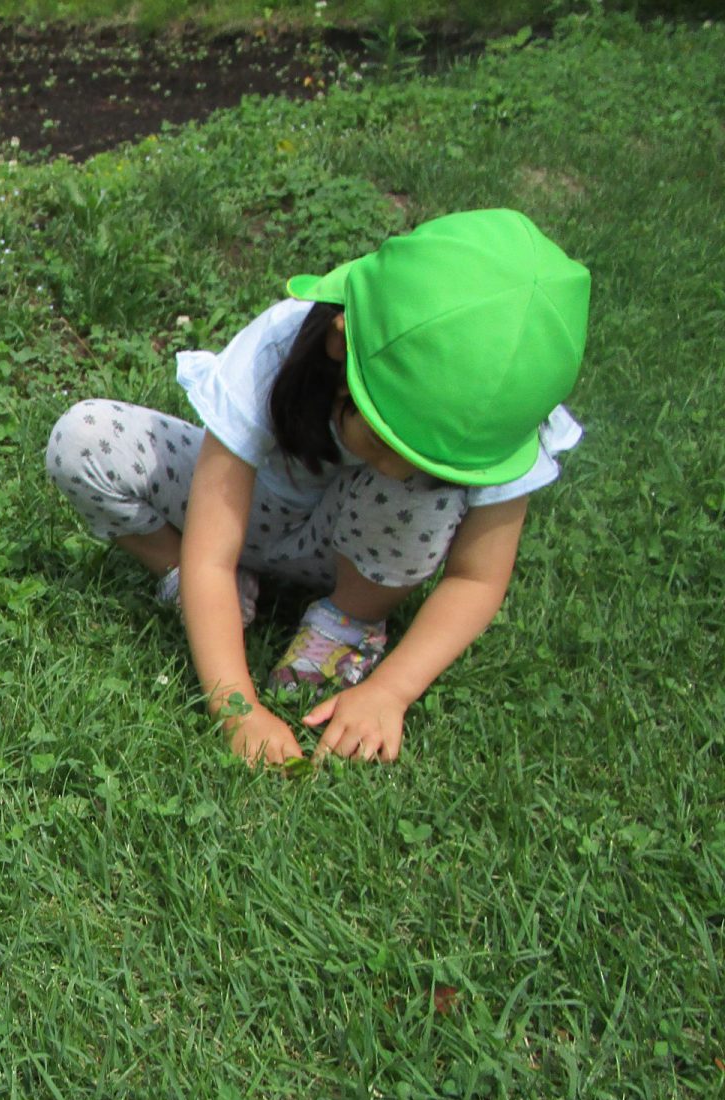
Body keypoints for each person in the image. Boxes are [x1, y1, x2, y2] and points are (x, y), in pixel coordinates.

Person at [45, 209, 589, 765]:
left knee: (414, 495)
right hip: (245, 515)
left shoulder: (500, 417)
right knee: (84, 438)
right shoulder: (278, 347)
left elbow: (476, 578)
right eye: (381, 438)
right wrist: (237, 710)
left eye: (426, 462)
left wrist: (390, 691)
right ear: (338, 342)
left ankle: (348, 620)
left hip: (351, 548)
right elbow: (211, 551)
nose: (397, 469)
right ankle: (191, 581)